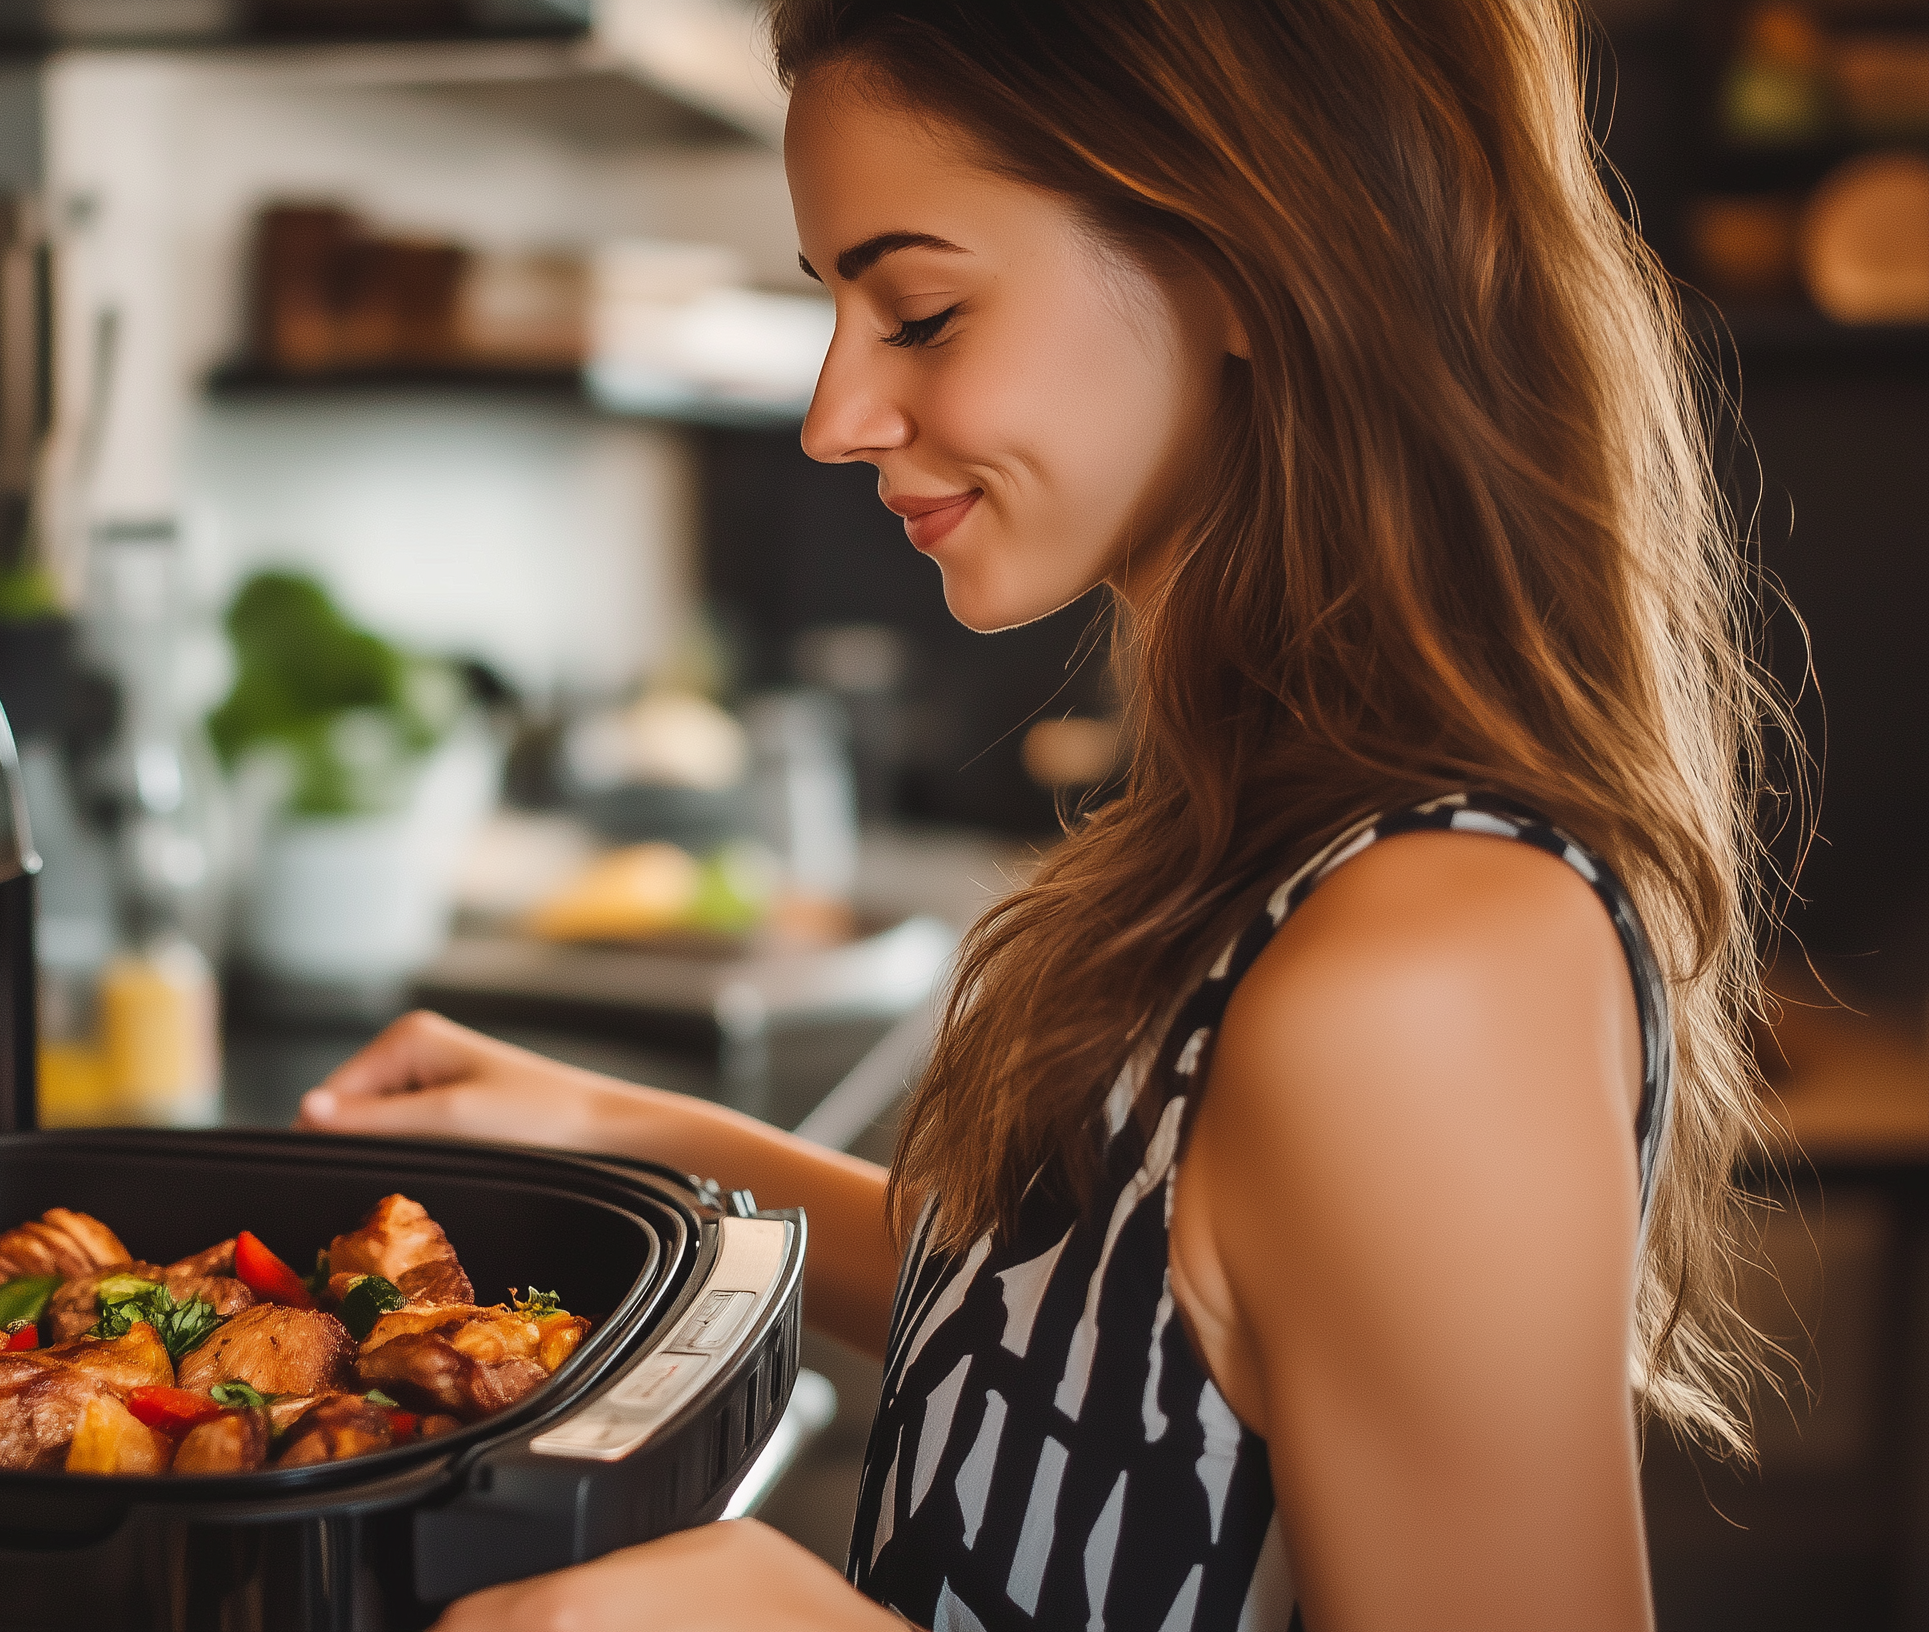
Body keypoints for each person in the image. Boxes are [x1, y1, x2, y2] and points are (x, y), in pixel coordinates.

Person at [300, 1, 1788, 1627]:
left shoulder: (1420, 970)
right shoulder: (1275, 834)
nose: (832, 417)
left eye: (921, 312)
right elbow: (1096, 1326)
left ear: (1245, 250)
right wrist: (624, 1140)